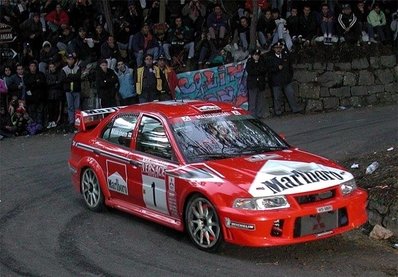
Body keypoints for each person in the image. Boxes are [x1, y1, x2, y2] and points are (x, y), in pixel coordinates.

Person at [266, 40, 303, 116]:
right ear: (274, 49)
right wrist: (277, 68)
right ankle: (278, 112)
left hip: (286, 80)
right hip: (276, 81)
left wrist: (289, 77)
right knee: (277, 97)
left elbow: (290, 68)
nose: (278, 49)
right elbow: (268, 70)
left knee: (291, 94)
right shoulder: (270, 58)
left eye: (280, 48)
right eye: (277, 48)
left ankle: (296, 109)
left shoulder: (285, 56)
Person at [245, 49, 269, 119]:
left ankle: (259, 114)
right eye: (255, 55)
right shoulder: (249, 62)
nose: (257, 56)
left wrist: (258, 70)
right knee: (252, 101)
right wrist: (258, 70)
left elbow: (264, 70)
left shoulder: (262, 61)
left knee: (260, 100)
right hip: (253, 84)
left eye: (258, 55)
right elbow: (250, 71)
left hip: (260, 83)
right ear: (252, 55)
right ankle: (252, 116)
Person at [23, 60, 47, 126]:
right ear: (29, 67)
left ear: (36, 67)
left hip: (40, 97)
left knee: (40, 112)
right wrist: (36, 82)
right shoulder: (26, 76)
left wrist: (33, 84)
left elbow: (42, 83)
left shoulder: (41, 74)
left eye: (34, 66)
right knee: (32, 113)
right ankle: (33, 126)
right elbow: (27, 83)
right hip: (31, 98)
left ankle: (40, 126)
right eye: (31, 66)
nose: (33, 67)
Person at [61, 54, 81, 128]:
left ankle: (77, 121)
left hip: (76, 90)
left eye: (72, 59)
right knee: (70, 107)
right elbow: (63, 79)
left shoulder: (78, 68)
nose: (71, 60)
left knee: (77, 107)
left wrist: (69, 76)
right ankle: (71, 122)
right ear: (67, 60)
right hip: (68, 90)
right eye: (69, 59)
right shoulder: (64, 69)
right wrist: (73, 77)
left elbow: (78, 77)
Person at [45, 62, 63, 128]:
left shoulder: (59, 73)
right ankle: (50, 121)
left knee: (56, 108)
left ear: (55, 67)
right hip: (50, 94)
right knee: (50, 108)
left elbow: (59, 83)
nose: (52, 68)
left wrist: (52, 84)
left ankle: (55, 121)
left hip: (57, 94)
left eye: (53, 67)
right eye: (50, 67)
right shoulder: (47, 74)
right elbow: (47, 83)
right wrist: (54, 82)